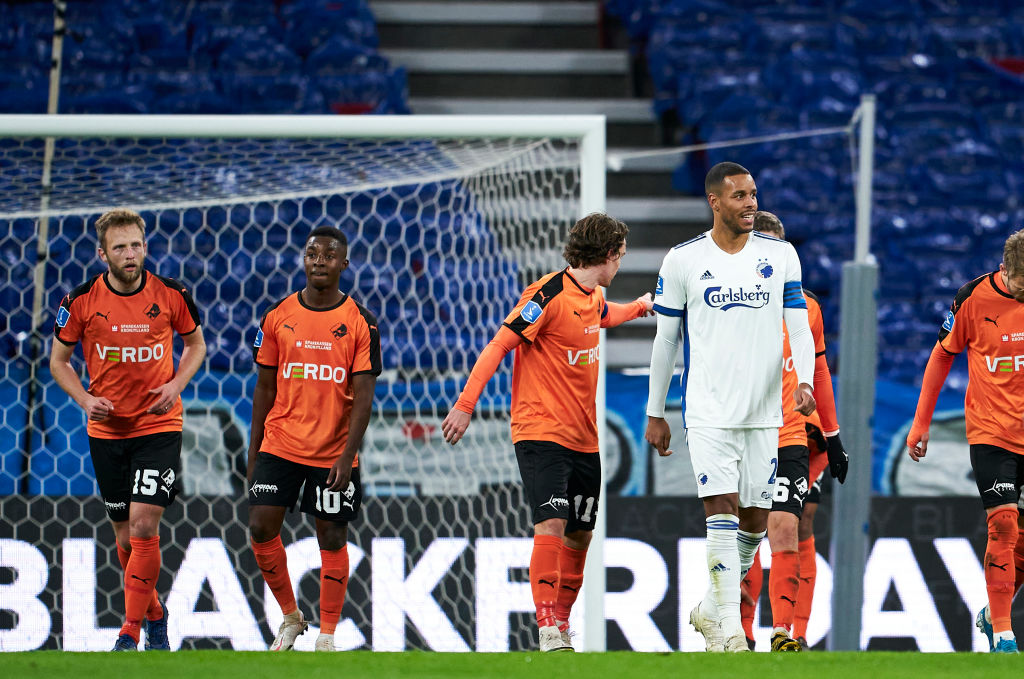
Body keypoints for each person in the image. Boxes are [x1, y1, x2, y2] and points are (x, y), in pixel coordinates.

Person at [441, 213, 653, 651]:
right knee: (552, 522)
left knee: (580, 533)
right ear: (610, 254)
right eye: (622, 256)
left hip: (585, 438)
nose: (622, 264)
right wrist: (465, 405)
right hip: (540, 430)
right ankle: (547, 628)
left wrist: (639, 307)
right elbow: (500, 343)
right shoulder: (547, 293)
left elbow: (602, 317)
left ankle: (561, 622)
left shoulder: (592, 295)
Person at [645, 162, 817, 653]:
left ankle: (707, 607)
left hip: (766, 412)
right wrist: (655, 412)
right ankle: (730, 631)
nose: (750, 203)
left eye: (753, 194)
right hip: (708, 409)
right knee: (720, 510)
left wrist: (803, 381)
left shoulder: (781, 255)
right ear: (714, 202)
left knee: (755, 520)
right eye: (739, 196)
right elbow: (665, 340)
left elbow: (799, 326)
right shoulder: (683, 260)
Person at [50, 208, 206, 651]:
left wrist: (176, 384)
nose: (130, 253)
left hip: (158, 426)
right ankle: (155, 611)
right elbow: (57, 362)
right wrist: (84, 399)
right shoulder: (78, 302)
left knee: (142, 527)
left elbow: (196, 345)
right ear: (103, 254)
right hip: (108, 431)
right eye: (120, 247)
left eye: (136, 244)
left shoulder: (173, 293)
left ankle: (130, 632)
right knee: (124, 537)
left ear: (145, 245)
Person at [247, 226, 380, 652]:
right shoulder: (277, 316)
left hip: (332, 451)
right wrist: (254, 452)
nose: (319, 259)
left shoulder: (361, 321)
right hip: (281, 443)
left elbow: (363, 398)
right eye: (312, 252)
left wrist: (347, 455)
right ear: (303, 260)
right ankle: (290, 616)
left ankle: (327, 634)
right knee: (260, 525)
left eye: (329, 254)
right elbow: (264, 388)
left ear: (344, 264)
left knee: (332, 538)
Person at [907, 229, 1024, 654]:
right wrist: (922, 423)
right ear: (1005, 270)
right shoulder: (973, 298)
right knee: (1004, 524)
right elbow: (941, 356)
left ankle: (994, 612)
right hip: (992, 432)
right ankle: (1005, 637)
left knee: (1021, 543)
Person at [736, 211, 847, 652]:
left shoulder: (807, 307)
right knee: (746, 533)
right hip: (741, 434)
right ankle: (740, 633)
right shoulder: (727, 301)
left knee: (792, 524)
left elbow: (819, 371)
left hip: (795, 434)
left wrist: (834, 435)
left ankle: (787, 632)